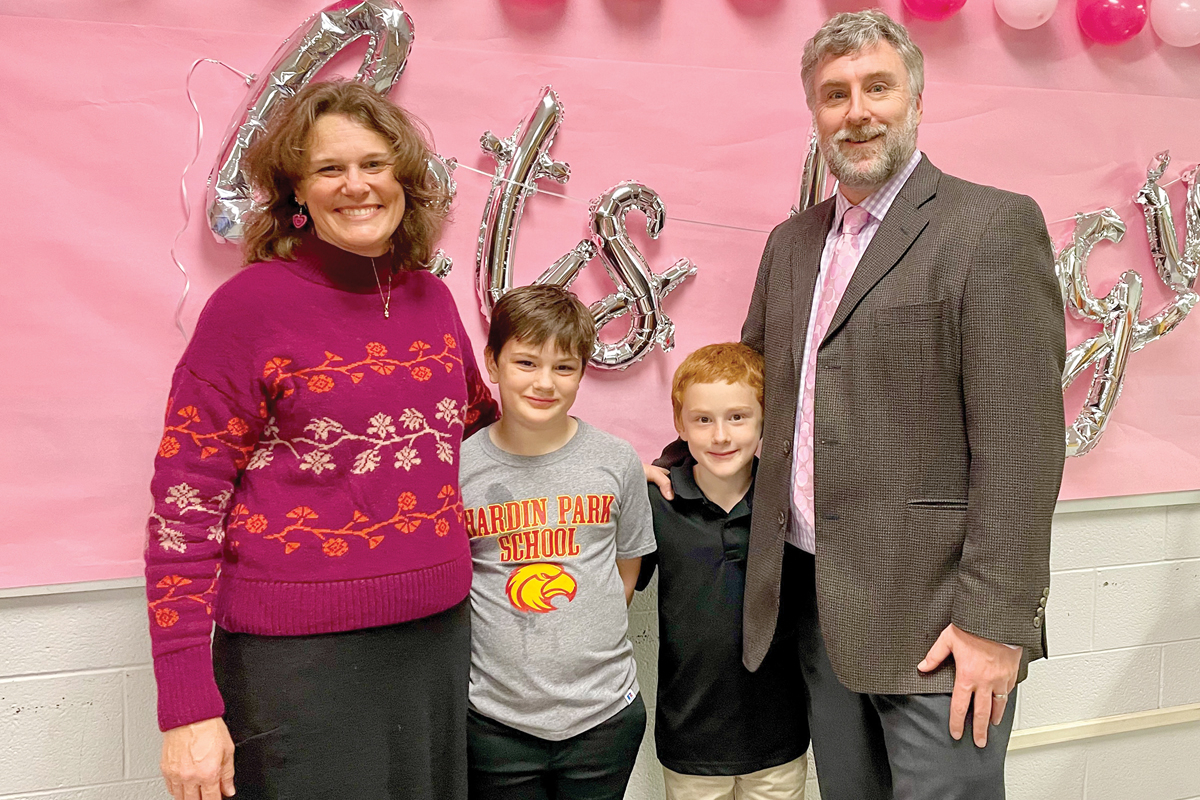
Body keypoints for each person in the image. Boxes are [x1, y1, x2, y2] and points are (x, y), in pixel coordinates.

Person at [649, 10, 1065, 799]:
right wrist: (675, 465)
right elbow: (753, 388)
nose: (857, 110)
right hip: (813, 606)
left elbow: (1023, 443)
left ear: (916, 100)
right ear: (816, 114)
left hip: (943, 621)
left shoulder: (990, 228)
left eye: (878, 87)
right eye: (834, 94)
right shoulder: (792, 243)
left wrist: (996, 624)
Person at [144, 80, 499, 800]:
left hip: (435, 642)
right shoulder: (246, 310)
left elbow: (483, 430)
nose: (357, 185)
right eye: (329, 169)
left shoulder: (430, 298)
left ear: (406, 180)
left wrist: (626, 468)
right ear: (295, 194)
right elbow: (183, 511)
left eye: (374, 163)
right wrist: (187, 708)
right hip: (295, 664)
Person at [459, 285, 656, 800]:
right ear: (493, 363)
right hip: (494, 723)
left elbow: (627, 566)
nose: (544, 382)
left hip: (604, 718)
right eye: (526, 362)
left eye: (564, 368)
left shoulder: (615, 461)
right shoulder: (458, 469)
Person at [638, 342, 809, 800]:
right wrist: (625, 474)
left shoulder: (792, 504)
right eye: (703, 419)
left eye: (737, 417)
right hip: (691, 737)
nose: (720, 436)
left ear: (764, 418)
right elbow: (616, 584)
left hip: (780, 736)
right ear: (680, 423)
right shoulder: (658, 501)